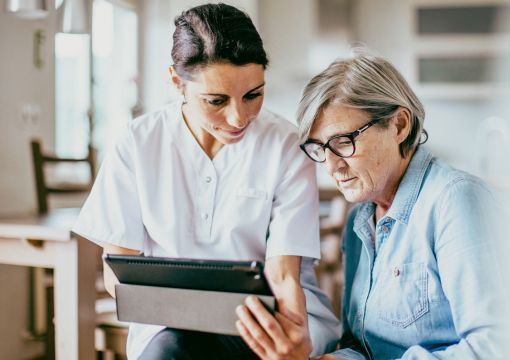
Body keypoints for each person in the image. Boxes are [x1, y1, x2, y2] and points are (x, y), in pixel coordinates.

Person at [72, 4, 340, 359]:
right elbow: (119, 274)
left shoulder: (286, 146)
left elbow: (284, 274)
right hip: (170, 327)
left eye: (253, 95)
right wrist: (188, 311)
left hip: (272, 314)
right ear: (176, 82)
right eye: (216, 100)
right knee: (172, 349)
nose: (238, 117)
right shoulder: (138, 142)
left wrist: (292, 338)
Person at [237, 50, 504, 359]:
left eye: (342, 142)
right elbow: (361, 345)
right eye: (320, 148)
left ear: (399, 125)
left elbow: (496, 346)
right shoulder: (359, 221)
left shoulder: (455, 200)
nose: (331, 165)